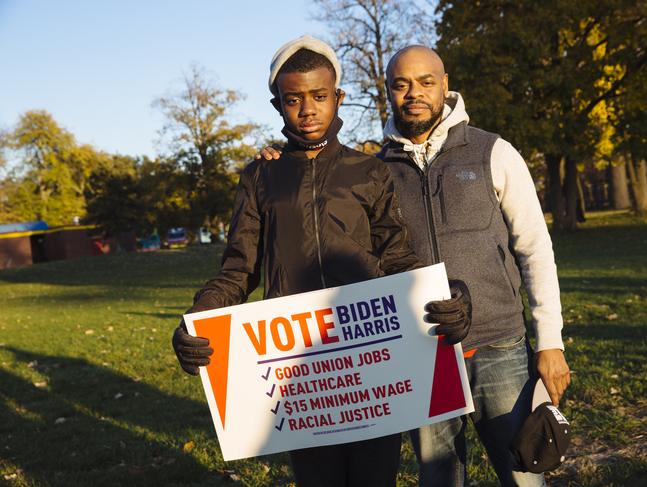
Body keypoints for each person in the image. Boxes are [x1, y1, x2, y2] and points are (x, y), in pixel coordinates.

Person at [258, 45, 570, 487]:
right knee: (439, 477)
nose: (414, 94)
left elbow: (535, 248)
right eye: (401, 85)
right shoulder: (373, 169)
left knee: (523, 476)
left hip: (499, 348)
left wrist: (550, 341)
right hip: (420, 352)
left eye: (426, 82)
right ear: (388, 92)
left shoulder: (493, 152)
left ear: (445, 85)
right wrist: (281, 159)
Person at [172, 36, 471, 487]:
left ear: (338, 97)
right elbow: (238, 268)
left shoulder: (369, 171)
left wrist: (449, 296)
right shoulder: (259, 176)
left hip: (374, 362)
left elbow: (396, 257)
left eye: (318, 96)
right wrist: (199, 317)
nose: (307, 110)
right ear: (277, 105)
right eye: (294, 100)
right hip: (298, 374)